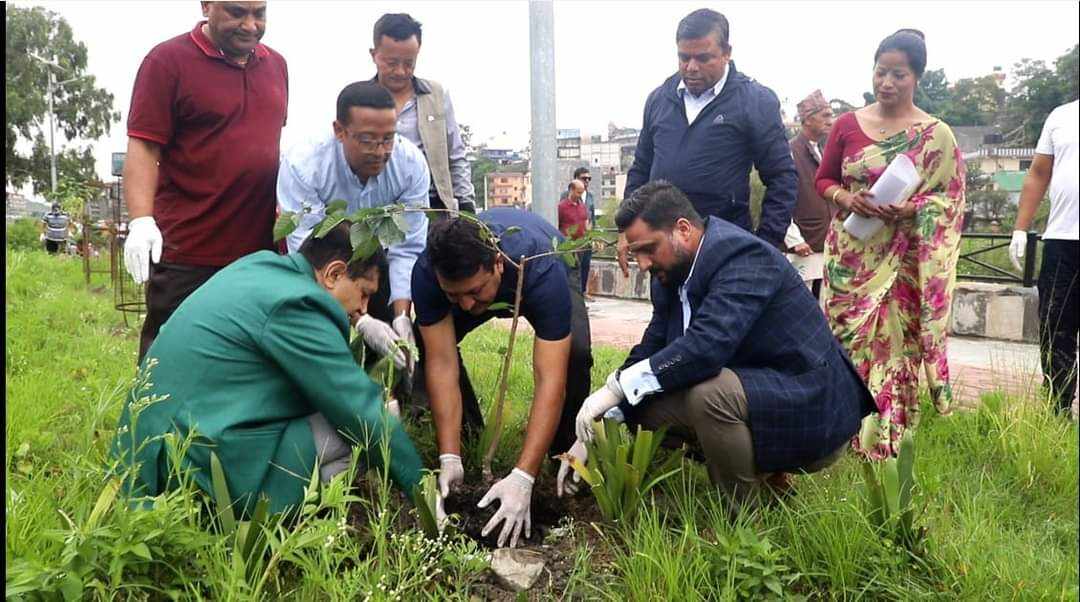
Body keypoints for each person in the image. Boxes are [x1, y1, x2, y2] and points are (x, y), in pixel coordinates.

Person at [558, 181, 873, 507]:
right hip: (760, 390)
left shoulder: (742, 258)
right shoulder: (672, 272)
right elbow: (654, 344)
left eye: (648, 249)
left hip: (811, 407)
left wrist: (617, 388)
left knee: (710, 395)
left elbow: (706, 348)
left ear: (683, 229)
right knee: (643, 402)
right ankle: (761, 476)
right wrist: (607, 413)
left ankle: (743, 518)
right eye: (636, 253)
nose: (643, 264)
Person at [111, 222, 427, 517]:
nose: (363, 309)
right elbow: (358, 409)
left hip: (146, 456)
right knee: (358, 426)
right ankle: (286, 523)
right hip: (194, 468)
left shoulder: (261, 268)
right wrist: (424, 494)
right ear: (333, 274)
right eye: (365, 293)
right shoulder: (300, 303)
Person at [814, 29, 966, 458]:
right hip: (850, 257)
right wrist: (846, 197)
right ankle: (836, 438)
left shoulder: (936, 136)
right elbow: (822, 179)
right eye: (881, 72)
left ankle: (885, 439)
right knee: (842, 345)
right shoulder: (846, 124)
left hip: (903, 263)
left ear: (916, 76)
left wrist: (915, 208)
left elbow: (951, 199)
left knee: (894, 351)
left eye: (898, 74)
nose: (887, 83)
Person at [413, 208, 592, 547]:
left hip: (549, 262)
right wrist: (448, 455)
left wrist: (524, 475)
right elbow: (441, 363)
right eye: (454, 296)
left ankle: (563, 457)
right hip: (489, 277)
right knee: (428, 339)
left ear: (496, 262)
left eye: (474, 291)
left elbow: (549, 377)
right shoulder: (427, 273)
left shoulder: (544, 268)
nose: (465, 305)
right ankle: (465, 442)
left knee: (576, 354)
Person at [122, 1, 288, 363]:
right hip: (189, 248)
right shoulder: (167, 62)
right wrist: (140, 220)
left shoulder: (276, 66)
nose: (250, 25)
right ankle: (154, 420)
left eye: (259, 13)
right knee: (169, 356)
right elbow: (144, 146)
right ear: (206, 5)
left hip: (256, 251)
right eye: (236, 12)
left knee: (244, 359)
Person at [619, 8, 797, 276]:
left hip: (724, 253)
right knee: (667, 319)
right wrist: (627, 230)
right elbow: (641, 170)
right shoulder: (659, 100)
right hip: (665, 254)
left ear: (727, 52)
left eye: (703, 58)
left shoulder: (754, 101)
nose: (691, 67)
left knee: (719, 319)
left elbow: (783, 177)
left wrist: (765, 245)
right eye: (683, 57)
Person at [277, 82, 430, 379]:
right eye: (367, 140)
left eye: (388, 139)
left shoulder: (410, 164)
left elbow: (407, 246)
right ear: (339, 130)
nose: (380, 152)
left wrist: (401, 315)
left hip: (377, 262)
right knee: (322, 332)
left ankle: (396, 401)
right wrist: (360, 319)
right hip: (323, 269)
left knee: (397, 345)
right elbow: (311, 255)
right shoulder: (305, 165)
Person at [1009, 99, 1078, 416]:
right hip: (1062, 241)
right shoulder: (1061, 116)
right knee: (1055, 328)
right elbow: (1038, 173)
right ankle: (1058, 411)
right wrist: (1020, 229)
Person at [368, 13, 475, 215]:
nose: (400, 71)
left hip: (433, 206)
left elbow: (456, 156)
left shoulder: (436, 95)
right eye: (391, 63)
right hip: (379, 210)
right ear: (374, 55)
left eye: (409, 63)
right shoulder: (361, 101)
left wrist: (466, 205)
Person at [784, 90, 836, 299]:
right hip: (802, 243)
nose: (830, 121)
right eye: (825, 116)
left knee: (824, 305)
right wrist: (793, 238)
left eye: (831, 116)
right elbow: (781, 198)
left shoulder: (824, 151)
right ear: (808, 119)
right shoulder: (789, 151)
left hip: (825, 242)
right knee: (799, 305)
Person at [558, 179, 591, 295]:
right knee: (570, 273)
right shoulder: (561, 207)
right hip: (568, 246)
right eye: (578, 192)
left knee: (580, 272)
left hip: (581, 245)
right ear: (571, 190)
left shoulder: (582, 206)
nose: (580, 195)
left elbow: (586, 223)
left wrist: (590, 238)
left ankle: (579, 296)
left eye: (582, 193)